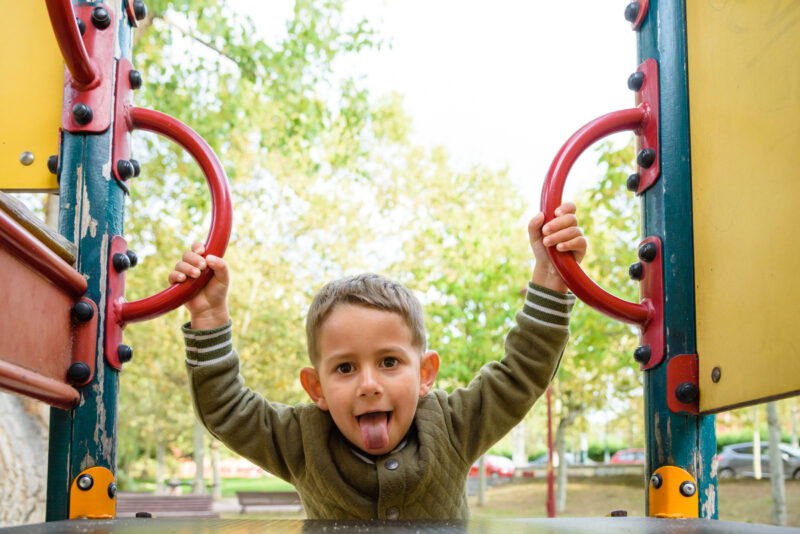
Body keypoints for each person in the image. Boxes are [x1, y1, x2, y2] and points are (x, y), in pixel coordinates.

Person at [170, 203, 586, 519]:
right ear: (316, 388)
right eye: (345, 368)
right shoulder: (301, 440)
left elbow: (521, 373)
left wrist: (550, 278)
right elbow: (226, 409)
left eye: (389, 362)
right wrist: (208, 319)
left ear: (425, 374)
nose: (369, 384)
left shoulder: (453, 427)